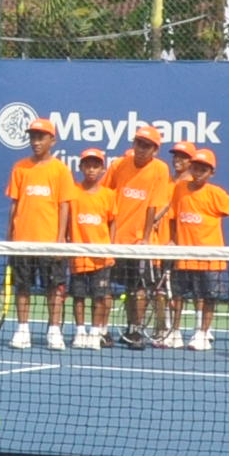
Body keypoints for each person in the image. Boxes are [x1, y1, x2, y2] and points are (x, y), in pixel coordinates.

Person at [0, 117, 72, 350]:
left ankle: (53, 331)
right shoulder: (19, 167)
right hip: (22, 240)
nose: (36, 141)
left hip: (49, 242)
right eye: (32, 137)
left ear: (52, 140)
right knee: (23, 287)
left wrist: (60, 239)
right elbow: (14, 202)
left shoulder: (60, 170)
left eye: (41, 137)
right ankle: (22, 330)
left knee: (54, 288)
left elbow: (64, 206)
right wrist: (10, 233)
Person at [100, 125, 174, 347]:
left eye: (147, 145)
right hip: (114, 241)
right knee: (106, 288)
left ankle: (135, 331)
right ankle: (101, 331)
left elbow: (154, 205)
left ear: (155, 150)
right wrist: (107, 233)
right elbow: (105, 196)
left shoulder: (160, 170)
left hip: (140, 243)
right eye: (138, 143)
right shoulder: (118, 165)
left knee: (138, 289)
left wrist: (146, 237)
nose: (141, 149)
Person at [164, 146, 229, 350]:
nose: (198, 172)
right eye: (196, 168)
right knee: (178, 296)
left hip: (209, 257)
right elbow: (173, 217)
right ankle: (175, 332)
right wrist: (173, 238)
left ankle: (203, 333)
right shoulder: (179, 189)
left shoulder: (215, 193)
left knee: (207, 297)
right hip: (184, 255)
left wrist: (215, 214)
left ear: (211, 173)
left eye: (204, 169)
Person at [68, 148, 115, 348]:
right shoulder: (72, 192)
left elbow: (113, 222)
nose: (91, 170)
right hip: (78, 255)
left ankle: (95, 333)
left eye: (96, 166)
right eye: (87, 165)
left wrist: (110, 248)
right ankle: (80, 332)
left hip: (101, 257)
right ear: (81, 167)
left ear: (102, 169)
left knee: (99, 297)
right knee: (78, 296)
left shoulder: (109, 195)